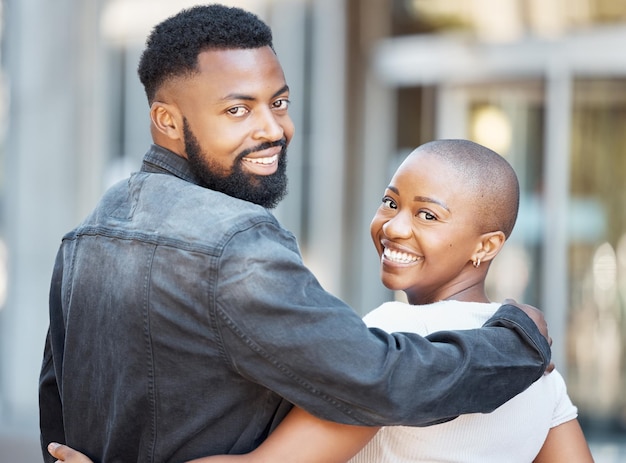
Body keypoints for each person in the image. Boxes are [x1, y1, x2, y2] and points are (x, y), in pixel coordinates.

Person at [39, 5, 552, 463]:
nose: (272, 129)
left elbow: (58, 421)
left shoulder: (86, 237)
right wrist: (516, 345)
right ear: (167, 121)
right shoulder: (234, 244)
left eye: (278, 102)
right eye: (237, 109)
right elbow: (379, 382)